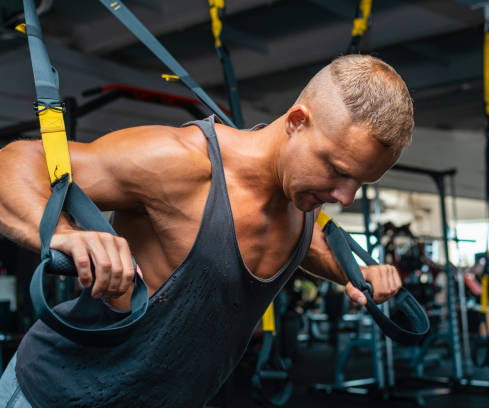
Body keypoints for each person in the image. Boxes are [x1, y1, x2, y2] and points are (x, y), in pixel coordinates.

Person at [0, 54, 414, 407]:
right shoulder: (180, 163)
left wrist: (356, 275)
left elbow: (308, 249)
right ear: (297, 121)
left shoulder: (302, 203)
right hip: (50, 394)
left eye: (360, 182)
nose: (344, 197)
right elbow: (16, 163)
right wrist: (63, 235)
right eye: (338, 171)